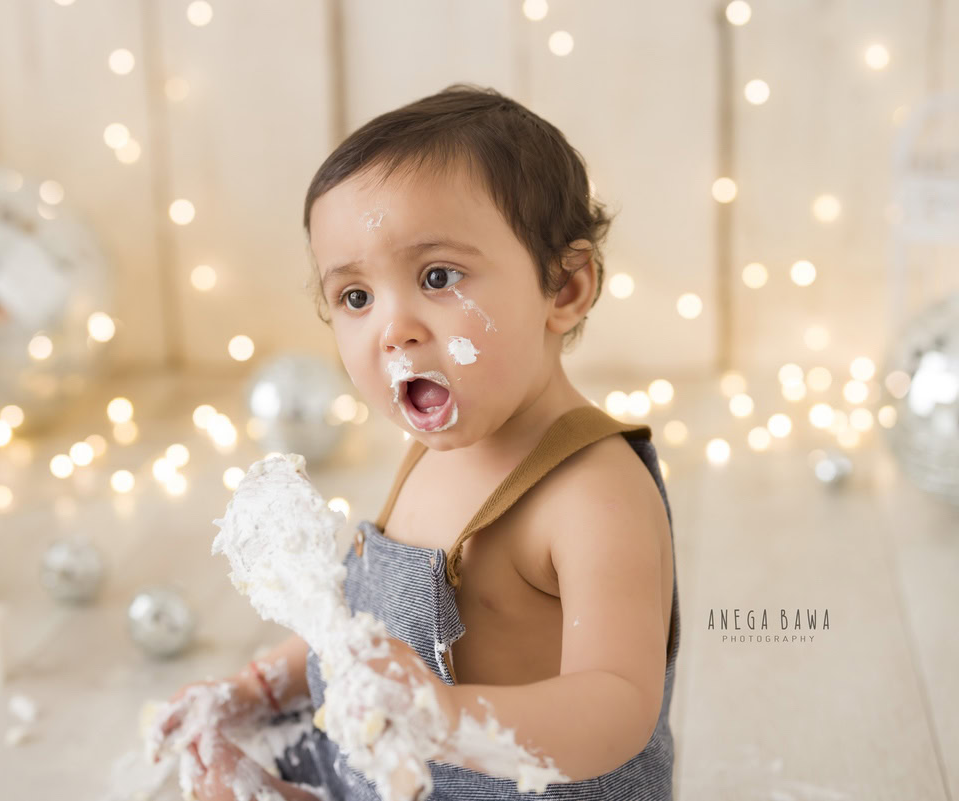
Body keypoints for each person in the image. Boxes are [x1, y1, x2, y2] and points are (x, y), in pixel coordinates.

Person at [153, 83, 680, 801]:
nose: (391, 329)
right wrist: (253, 689)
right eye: (355, 297)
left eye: (438, 277)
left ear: (564, 287)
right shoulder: (437, 449)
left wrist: (446, 716)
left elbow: (618, 703)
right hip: (401, 772)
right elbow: (359, 626)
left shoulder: (593, 492)